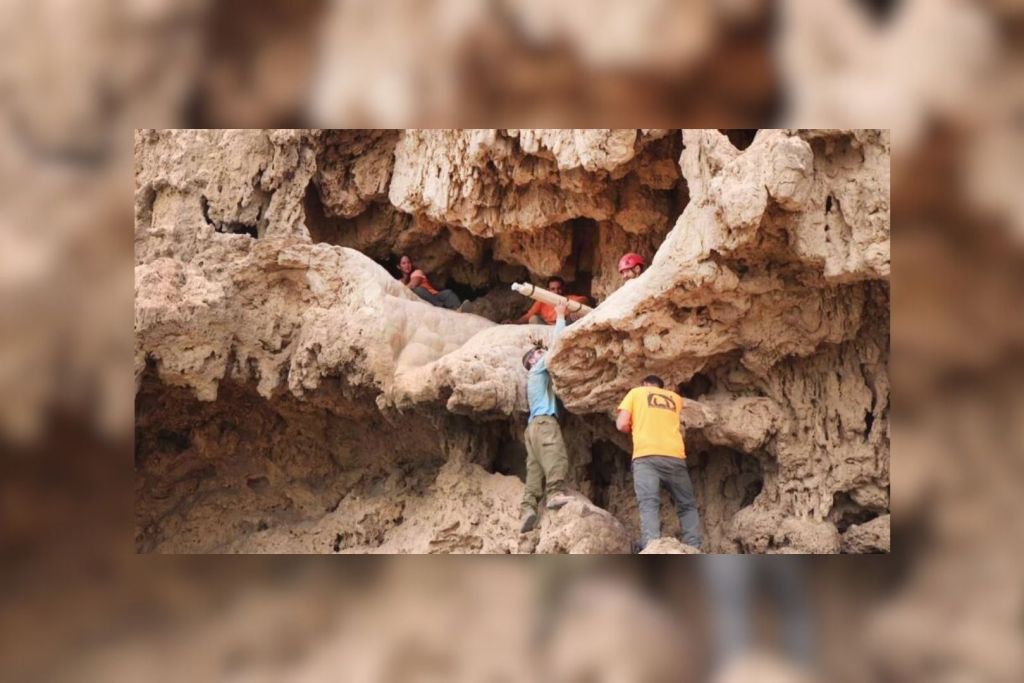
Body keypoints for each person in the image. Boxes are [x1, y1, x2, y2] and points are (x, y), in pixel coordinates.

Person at [615, 375, 702, 550]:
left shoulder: (636, 393)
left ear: (645, 384)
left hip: (646, 456)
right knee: (687, 504)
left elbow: (622, 424)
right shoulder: (675, 399)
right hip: (675, 456)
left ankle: (652, 547)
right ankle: (693, 546)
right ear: (661, 387)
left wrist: (634, 425)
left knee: (649, 503)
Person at [519, 302, 573, 533]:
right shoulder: (538, 368)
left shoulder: (534, 379)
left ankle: (528, 508)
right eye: (537, 353)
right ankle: (555, 494)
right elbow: (557, 348)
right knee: (555, 455)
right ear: (532, 360)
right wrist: (560, 315)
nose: (541, 353)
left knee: (535, 469)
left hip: (531, 429)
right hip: (544, 423)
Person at [510, 276, 590, 325]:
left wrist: (572, 311)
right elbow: (528, 316)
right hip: (546, 328)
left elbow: (584, 300)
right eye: (553, 289)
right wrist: (514, 323)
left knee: (574, 316)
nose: (556, 292)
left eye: (559, 288)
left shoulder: (568, 298)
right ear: (548, 290)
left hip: (564, 326)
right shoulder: (542, 300)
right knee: (533, 318)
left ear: (563, 288)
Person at [397, 255, 461, 309]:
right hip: (425, 302)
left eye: (409, 262)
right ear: (399, 266)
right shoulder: (399, 281)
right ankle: (443, 307)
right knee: (417, 290)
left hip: (436, 296)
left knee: (448, 293)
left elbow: (412, 285)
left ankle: (458, 309)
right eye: (404, 263)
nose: (407, 265)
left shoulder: (417, 272)